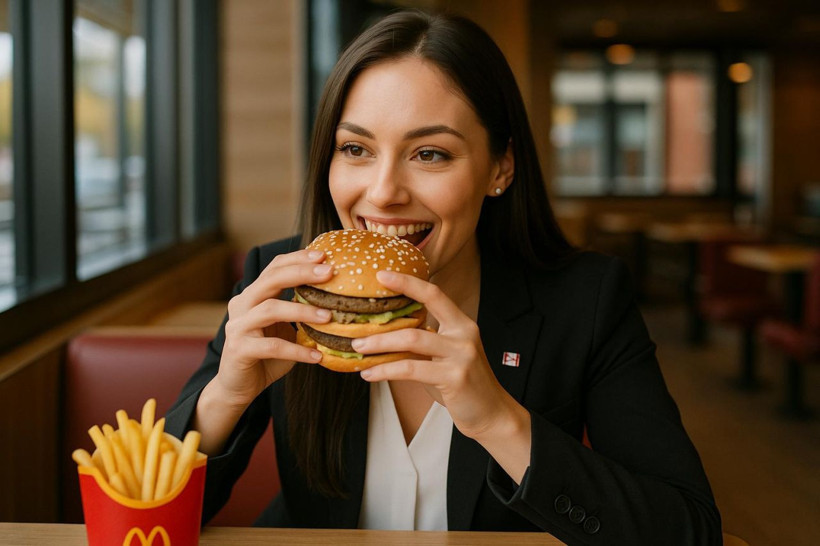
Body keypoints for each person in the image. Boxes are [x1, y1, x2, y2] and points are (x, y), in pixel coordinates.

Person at [166, 10, 721, 545]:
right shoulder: (282, 281)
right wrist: (223, 400)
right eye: (355, 148)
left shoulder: (586, 299)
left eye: (429, 154)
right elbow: (140, 520)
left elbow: (689, 529)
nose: (383, 192)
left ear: (500, 168)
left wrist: (499, 421)